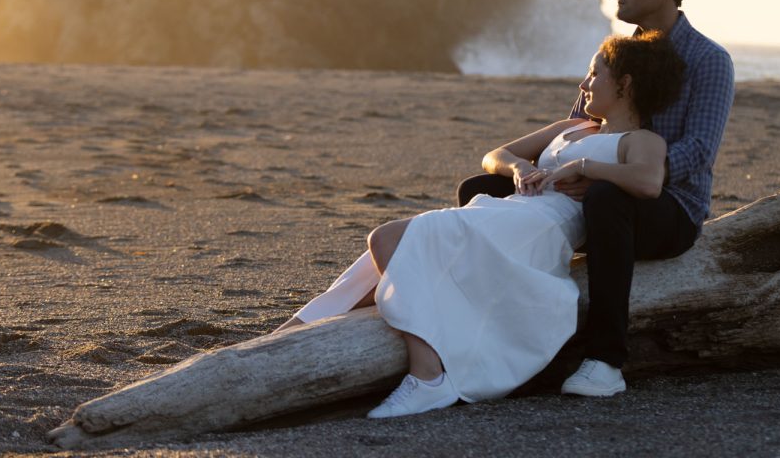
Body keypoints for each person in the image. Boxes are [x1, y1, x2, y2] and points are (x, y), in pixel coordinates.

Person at [278, 32, 685, 418]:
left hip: (540, 229)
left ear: (625, 85)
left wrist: (582, 167)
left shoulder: (641, 140)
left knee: (386, 240)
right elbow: (495, 155)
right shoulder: (571, 127)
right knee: (382, 253)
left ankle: (428, 374)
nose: (584, 83)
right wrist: (521, 167)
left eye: (595, 73)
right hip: (504, 210)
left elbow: (649, 183)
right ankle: (289, 334)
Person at [457, 0, 735, 398]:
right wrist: (546, 172)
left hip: (666, 207)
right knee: (481, 187)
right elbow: (581, 121)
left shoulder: (709, 60)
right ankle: (479, 317)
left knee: (608, 199)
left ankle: (606, 361)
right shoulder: (616, 55)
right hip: (587, 186)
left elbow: (698, 152)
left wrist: (614, 174)